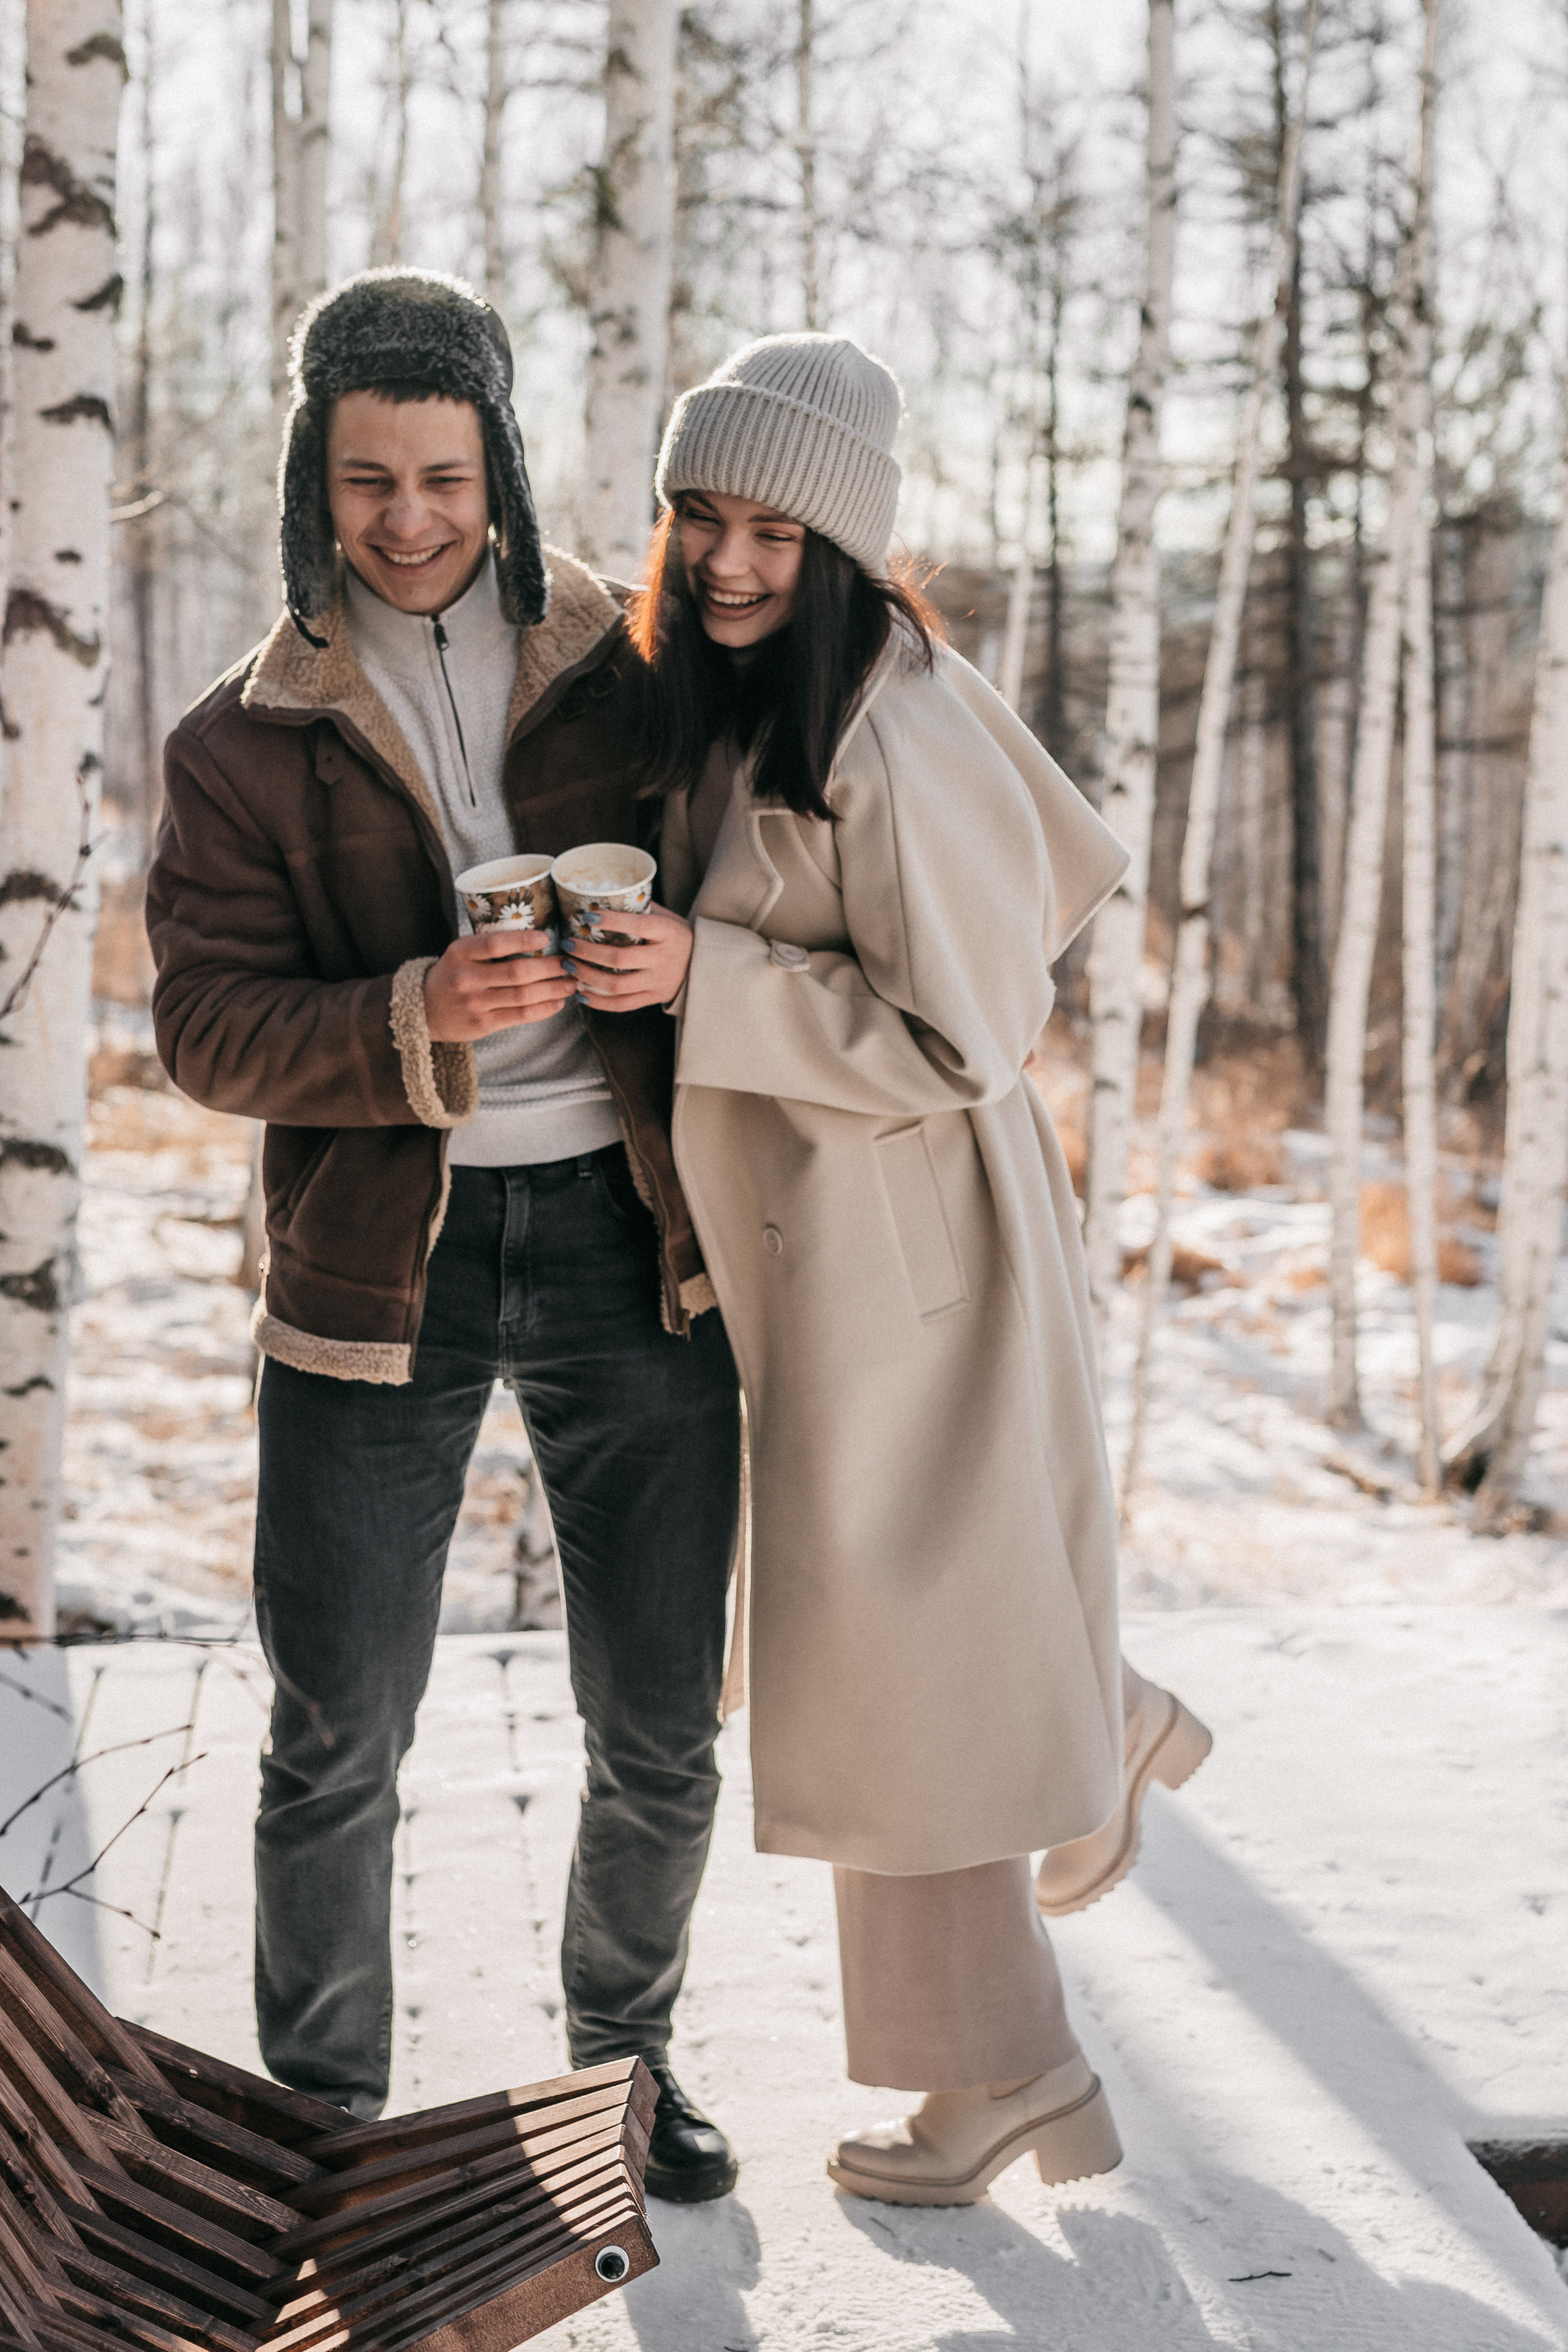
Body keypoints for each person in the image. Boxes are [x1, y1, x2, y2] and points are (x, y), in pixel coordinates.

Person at [564, 331, 1212, 2204]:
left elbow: (965, 1037)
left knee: (901, 1682)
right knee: (906, 1657)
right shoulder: (766, 692)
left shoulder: (889, 723)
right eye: (702, 517)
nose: (732, 561)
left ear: (847, 546)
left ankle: (1008, 2074)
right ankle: (1088, 1731)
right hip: (839, 1236)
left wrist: (707, 977)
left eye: (775, 527)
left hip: (916, 1249)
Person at [145, 269, 742, 2202]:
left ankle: (625, 2074)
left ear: (502, 471)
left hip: (633, 1248)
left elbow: (784, 886)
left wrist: (685, 966)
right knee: (339, 1733)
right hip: (368, 1275)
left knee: (657, 1723)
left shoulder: (628, 677)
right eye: (366, 478)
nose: (408, 516)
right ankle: (321, 2116)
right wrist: (418, 1016)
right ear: (313, 481)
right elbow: (205, 1027)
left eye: (445, 474)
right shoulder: (242, 738)